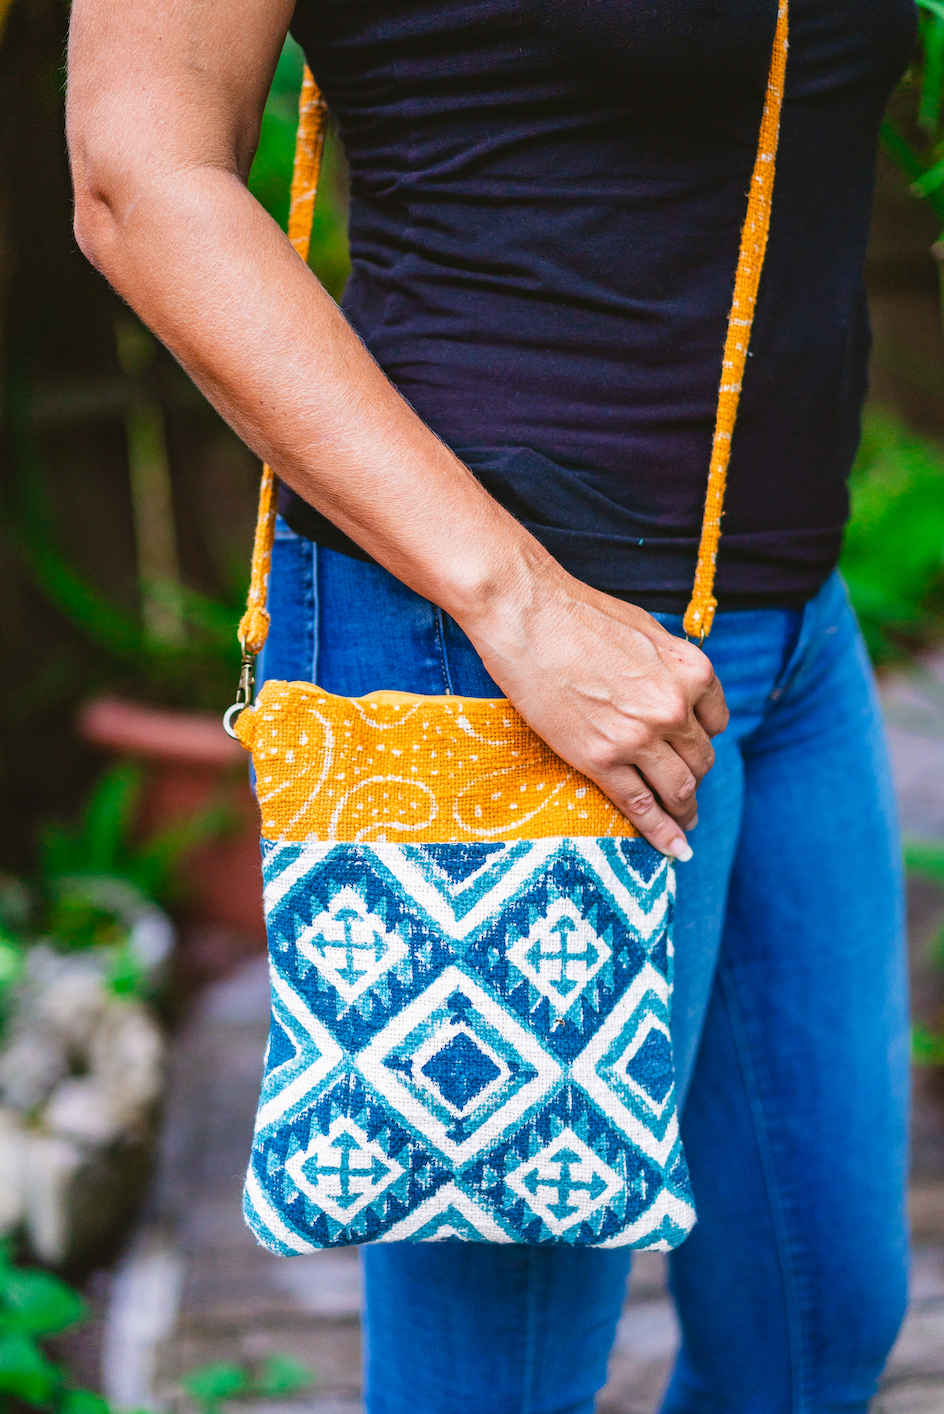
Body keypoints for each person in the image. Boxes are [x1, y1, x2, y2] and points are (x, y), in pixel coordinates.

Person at [66, 1, 915, 1409]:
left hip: (786, 620)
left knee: (816, 1325)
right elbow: (135, 176)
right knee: (500, 1383)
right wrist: (517, 600)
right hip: (496, 650)